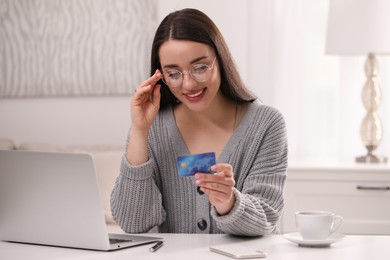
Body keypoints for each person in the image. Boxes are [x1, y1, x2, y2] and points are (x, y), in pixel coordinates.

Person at [111, 8, 288, 236]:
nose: (188, 85)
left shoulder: (267, 124)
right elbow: (133, 223)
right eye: (173, 73)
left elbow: (266, 217)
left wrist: (228, 202)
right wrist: (139, 130)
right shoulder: (152, 127)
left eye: (200, 68)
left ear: (220, 59)